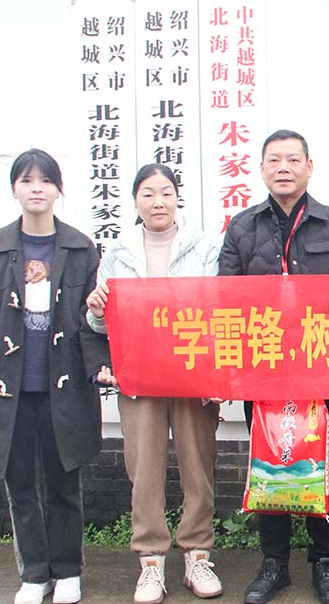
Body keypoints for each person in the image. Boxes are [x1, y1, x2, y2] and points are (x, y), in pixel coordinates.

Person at [0, 149, 106, 604]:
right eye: (27, 180)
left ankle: (68, 570)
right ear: (14, 190)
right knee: (19, 484)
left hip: (64, 386)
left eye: (46, 181)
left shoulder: (80, 247)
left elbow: (95, 318)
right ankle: (35, 574)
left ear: (59, 190)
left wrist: (101, 366)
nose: (37, 189)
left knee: (64, 481)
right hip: (8, 388)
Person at [219, 129, 329, 604]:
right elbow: (227, 296)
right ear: (261, 169)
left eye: (293, 159)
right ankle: (273, 563)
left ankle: (324, 561)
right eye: (274, 160)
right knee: (268, 457)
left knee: (321, 458)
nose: (284, 167)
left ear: (309, 167)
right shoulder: (242, 227)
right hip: (263, 365)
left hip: (320, 363)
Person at [85, 164, 223, 604]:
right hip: (140, 376)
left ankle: (197, 555)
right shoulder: (117, 252)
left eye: (166, 192)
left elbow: (220, 306)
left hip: (192, 371)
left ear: (177, 198)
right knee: (143, 469)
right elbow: (102, 323)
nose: (158, 202)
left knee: (197, 464)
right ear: (135, 201)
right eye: (148, 194)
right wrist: (96, 309)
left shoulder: (206, 246)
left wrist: (218, 372)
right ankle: (150, 561)